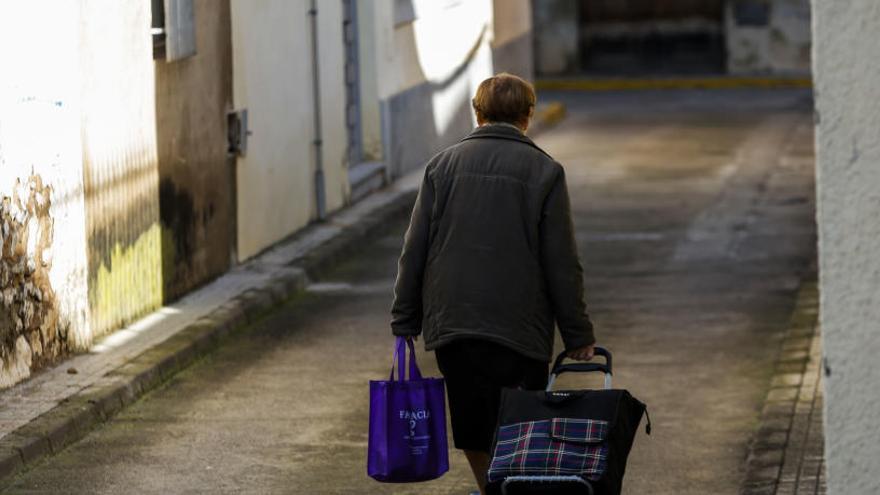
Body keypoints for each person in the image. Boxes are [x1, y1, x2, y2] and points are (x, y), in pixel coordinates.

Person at [390, 73, 596, 495]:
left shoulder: (441, 166)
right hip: (519, 329)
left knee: (471, 421)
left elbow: (415, 248)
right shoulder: (545, 170)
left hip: (454, 323)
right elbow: (561, 261)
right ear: (528, 116)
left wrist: (405, 317)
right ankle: (509, 487)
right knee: (520, 422)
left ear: (477, 113)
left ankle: (490, 488)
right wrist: (577, 334)